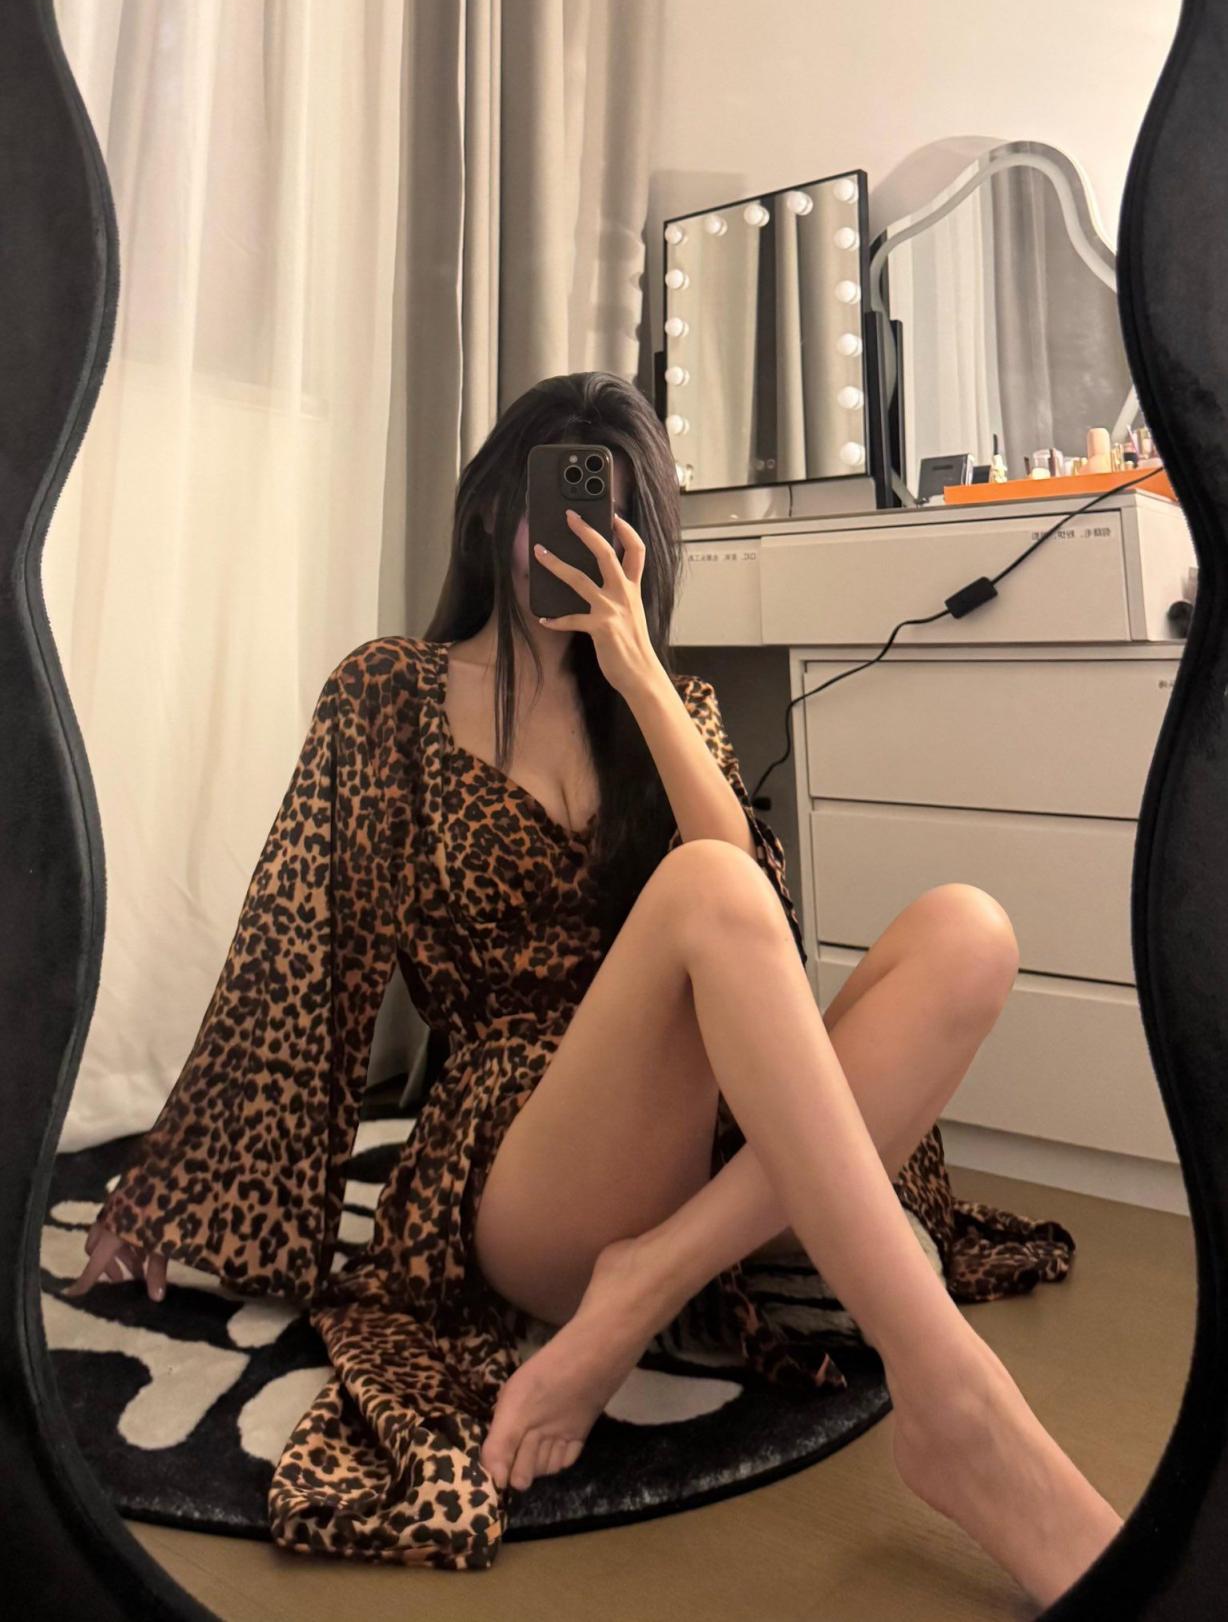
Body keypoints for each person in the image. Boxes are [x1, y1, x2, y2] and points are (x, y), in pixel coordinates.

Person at [68, 371, 1120, 1604]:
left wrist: (640, 680)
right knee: (706, 889)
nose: (565, 536)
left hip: (716, 1134)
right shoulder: (389, 693)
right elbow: (301, 947)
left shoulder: (672, 706)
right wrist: (179, 1185)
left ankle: (652, 1280)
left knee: (968, 932)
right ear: (489, 512)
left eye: (605, 510)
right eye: (546, 503)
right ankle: (954, 1398)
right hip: (532, 1159)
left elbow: (763, 936)